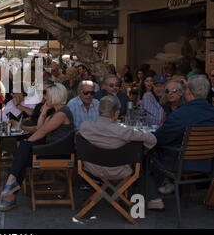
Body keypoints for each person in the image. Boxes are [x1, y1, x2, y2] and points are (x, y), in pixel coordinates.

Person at [0, 83, 74, 211]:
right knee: (22, 158)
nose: (44, 98)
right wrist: (43, 112)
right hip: (51, 148)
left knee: (24, 148)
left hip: (59, 152)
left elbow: (42, 131)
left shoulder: (62, 113)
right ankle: (11, 189)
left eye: (47, 95)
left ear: (55, 96)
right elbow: (39, 128)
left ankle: (10, 187)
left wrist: (27, 142)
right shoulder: (55, 112)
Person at [148, 75, 214, 210]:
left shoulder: (181, 114)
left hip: (182, 164)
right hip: (209, 163)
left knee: (146, 154)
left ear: (188, 92)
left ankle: (154, 198)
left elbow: (159, 138)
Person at [79, 95, 156, 181]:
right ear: (116, 113)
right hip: (118, 171)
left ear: (99, 110)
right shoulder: (124, 131)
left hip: (92, 169)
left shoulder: (84, 127)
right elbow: (152, 139)